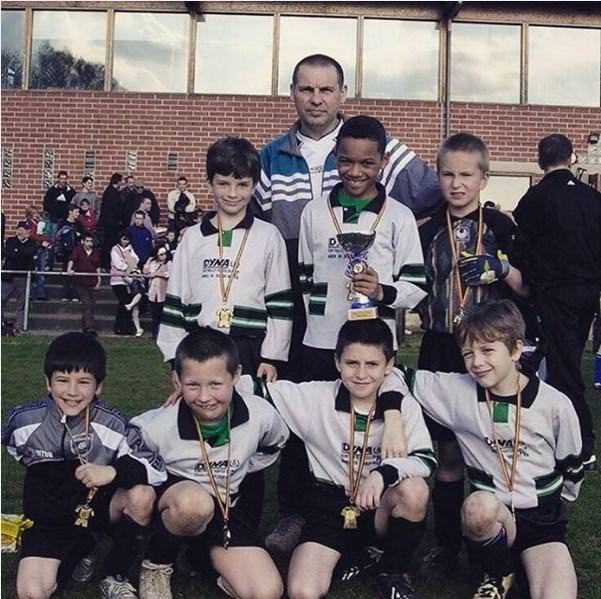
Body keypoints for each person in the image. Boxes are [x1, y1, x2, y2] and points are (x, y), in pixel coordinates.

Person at [387, 300, 584, 599]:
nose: (476, 362)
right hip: (492, 520)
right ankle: (497, 573)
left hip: (542, 523)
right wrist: (392, 417)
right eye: (468, 353)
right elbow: (393, 374)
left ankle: (525, 567)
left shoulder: (555, 404)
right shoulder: (457, 392)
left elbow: (571, 466)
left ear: (516, 350)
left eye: (488, 350)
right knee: (479, 506)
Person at [237, 319, 435, 599]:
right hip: (330, 509)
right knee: (303, 592)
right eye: (352, 363)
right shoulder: (315, 397)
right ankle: (355, 554)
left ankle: (391, 570)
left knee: (414, 490)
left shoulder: (403, 406)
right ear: (337, 362)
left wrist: (383, 473)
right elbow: (256, 388)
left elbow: (425, 460)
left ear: (389, 365)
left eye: (372, 364)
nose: (362, 374)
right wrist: (203, 383)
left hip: (379, 508)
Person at [415, 132, 528, 578]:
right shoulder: (425, 228)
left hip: (489, 352)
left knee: (493, 447)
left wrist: (503, 268)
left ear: (484, 177)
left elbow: (528, 287)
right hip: (441, 345)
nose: (457, 183)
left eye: (466, 174)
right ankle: (446, 546)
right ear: (438, 176)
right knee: (446, 453)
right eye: (448, 174)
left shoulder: (502, 226)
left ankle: (498, 542)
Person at [1, 332, 166, 599]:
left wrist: (112, 471)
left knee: (142, 495)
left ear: (98, 387)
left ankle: (115, 575)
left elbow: (156, 468)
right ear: (48, 382)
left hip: (97, 509)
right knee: (31, 593)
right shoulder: (23, 421)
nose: (72, 392)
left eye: (84, 382)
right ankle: (84, 548)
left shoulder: (113, 423)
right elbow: (13, 448)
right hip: (50, 522)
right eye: (62, 380)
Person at [131, 327, 289, 599]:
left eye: (215, 385)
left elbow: (274, 443)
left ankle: (198, 557)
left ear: (236, 376)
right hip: (179, 506)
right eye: (193, 385)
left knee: (266, 592)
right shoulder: (156, 426)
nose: (204, 397)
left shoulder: (261, 415)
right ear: (177, 380)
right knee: (194, 505)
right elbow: (128, 459)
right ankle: (156, 562)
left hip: (226, 510)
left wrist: (244, 466)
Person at [299, 115, 426, 380]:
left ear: (384, 161)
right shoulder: (313, 212)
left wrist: (380, 291)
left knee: (369, 405)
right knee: (319, 404)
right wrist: (323, 313)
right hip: (322, 339)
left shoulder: (400, 216)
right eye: (346, 161)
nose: (355, 172)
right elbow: (305, 279)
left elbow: (416, 286)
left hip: (375, 343)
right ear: (335, 155)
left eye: (367, 163)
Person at [158, 137, 293, 380]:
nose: (232, 193)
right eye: (223, 183)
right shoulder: (192, 237)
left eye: (242, 185)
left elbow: (279, 302)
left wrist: (271, 357)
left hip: (250, 347)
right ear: (210, 182)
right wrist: (173, 358)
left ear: (254, 186)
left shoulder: (269, 236)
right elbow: (176, 298)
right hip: (199, 346)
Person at [513, 133, 601, 471]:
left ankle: (582, 444)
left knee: (564, 369)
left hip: (553, 293)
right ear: (572, 157)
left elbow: (523, 247)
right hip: (588, 293)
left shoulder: (534, 199)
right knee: (565, 360)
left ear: (540, 161)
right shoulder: (592, 198)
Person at [1, 221, 38, 334]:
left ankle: (19, 327)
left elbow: (29, 253)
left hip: (23, 277)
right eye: (20, 229)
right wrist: (20, 253)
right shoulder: (10, 241)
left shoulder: (32, 243)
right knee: (1, 300)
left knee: (22, 303)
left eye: (25, 230)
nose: (22, 232)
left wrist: (19, 252)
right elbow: (10, 253)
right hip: (8, 276)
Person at [67, 234, 102, 335]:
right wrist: (69, 269)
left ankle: (85, 327)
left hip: (92, 281)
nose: (89, 243)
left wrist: (99, 279)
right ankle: (90, 328)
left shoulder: (96, 252)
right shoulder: (78, 250)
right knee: (86, 304)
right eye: (87, 241)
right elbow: (72, 260)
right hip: (81, 282)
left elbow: (97, 266)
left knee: (91, 305)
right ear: (83, 241)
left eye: (91, 241)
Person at [110, 231, 140, 336]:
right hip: (117, 280)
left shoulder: (130, 248)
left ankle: (124, 327)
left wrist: (129, 264)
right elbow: (118, 264)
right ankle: (121, 327)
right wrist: (128, 265)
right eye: (124, 239)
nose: (125, 242)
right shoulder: (115, 249)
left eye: (127, 239)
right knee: (124, 301)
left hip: (128, 281)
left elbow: (136, 259)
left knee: (126, 303)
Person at [56, 204, 83, 302]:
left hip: (75, 251)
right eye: (76, 212)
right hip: (65, 251)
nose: (78, 214)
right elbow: (58, 236)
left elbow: (83, 235)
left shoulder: (78, 224)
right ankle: (66, 294)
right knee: (65, 273)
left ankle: (75, 294)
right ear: (70, 212)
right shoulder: (63, 223)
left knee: (75, 273)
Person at [24, 206, 52, 301]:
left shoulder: (41, 223)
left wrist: (47, 240)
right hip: (33, 249)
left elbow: (46, 234)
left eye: (37, 212)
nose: (36, 215)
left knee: (41, 271)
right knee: (33, 271)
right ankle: (31, 293)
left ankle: (41, 293)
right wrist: (42, 240)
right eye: (34, 213)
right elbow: (31, 235)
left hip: (42, 249)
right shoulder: (27, 223)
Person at [143, 245, 171, 339]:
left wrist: (157, 274)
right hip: (152, 292)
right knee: (155, 314)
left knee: (162, 314)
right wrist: (148, 261)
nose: (163, 256)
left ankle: (163, 334)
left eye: (165, 254)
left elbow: (169, 274)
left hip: (163, 292)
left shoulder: (168, 263)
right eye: (161, 254)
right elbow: (146, 272)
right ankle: (155, 333)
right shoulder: (152, 262)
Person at [98, 173, 125, 269]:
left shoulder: (109, 191)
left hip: (109, 223)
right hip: (111, 224)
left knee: (108, 243)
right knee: (109, 244)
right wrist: (120, 218)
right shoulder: (112, 193)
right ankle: (105, 263)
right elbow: (115, 208)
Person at [42, 170, 76, 238]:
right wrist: (54, 207)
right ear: (58, 179)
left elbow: (73, 205)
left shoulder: (71, 191)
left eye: (65, 179)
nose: (63, 181)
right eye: (61, 178)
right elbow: (46, 204)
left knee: (66, 237)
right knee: (53, 237)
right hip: (54, 219)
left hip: (66, 219)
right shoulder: (52, 190)